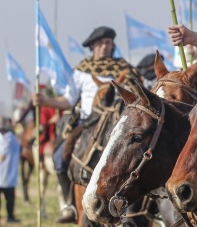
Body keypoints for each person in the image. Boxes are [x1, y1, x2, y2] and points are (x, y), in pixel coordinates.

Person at [32, 26, 142, 223]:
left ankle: (136, 213)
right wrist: (45, 101)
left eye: (107, 43)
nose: (104, 47)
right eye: (100, 44)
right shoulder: (82, 71)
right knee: (59, 159)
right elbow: (68, 100)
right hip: (87, 123)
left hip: (117, 125)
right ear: (92, 47)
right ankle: (70, 206)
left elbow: (136, 97)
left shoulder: (126, 69)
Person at [0, 119, 21, 223]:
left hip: (8, 174)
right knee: (9, 198)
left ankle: (10, 217)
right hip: (4, 174)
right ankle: (9, 217)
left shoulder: (10, 138)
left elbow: (2, 156)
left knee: (10, 198)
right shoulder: (7, 138)